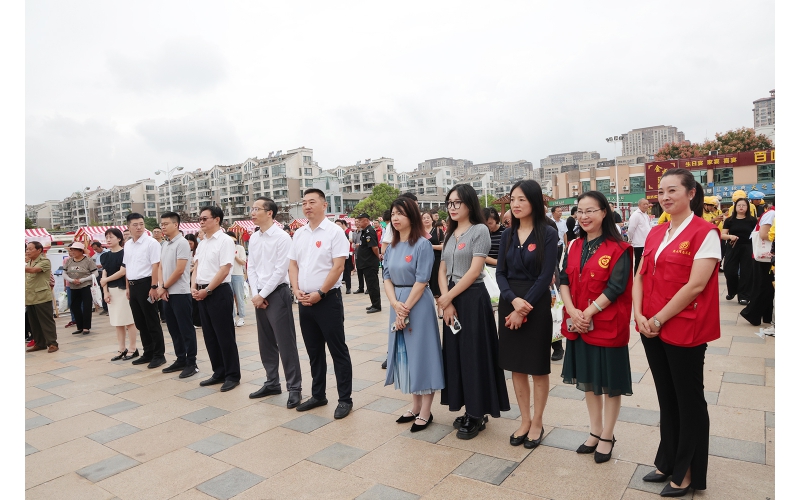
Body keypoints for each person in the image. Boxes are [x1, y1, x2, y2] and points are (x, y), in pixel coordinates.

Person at [633, 168, 720, 497]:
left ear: (691, 193)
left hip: (684, 328)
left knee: (688, 401)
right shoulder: (656, 232)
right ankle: (667, 460)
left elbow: (696, 285)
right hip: (650, 326)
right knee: (666, 397)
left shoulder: (705, 232)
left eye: (673, 190)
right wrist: (639, 314)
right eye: (661, 191)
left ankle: (687, 472)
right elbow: (640, 275)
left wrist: (657, 319)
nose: (665, 197)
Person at [559, 191, 634, 464]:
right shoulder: (573, 245)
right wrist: (572, 311)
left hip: (606, 325)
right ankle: (595, 430)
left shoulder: (619, 248)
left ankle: (608, 435)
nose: (584, 216)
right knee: (589, 381)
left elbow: (616, 287)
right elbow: (563, 280)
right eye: (580, 211)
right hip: (579, 324)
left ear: (604, 212)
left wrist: (588, 312)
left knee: (610, 384)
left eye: (590, 210)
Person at [438, 184, 510, 440]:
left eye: (457, 202)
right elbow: (442, 269)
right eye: (449, 203)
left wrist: (448, 297)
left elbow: (474, 270)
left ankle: (477, 412)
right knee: (456, 355)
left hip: (472, 299)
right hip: (452, 298)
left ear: (470, 203)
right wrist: (446, 301)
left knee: (474, 356)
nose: (452, 207)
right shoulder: (450, 232)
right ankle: (468, 406)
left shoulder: (479, 230)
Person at [496, 180, 558, 449]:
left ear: (534, 201)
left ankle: (537, 422)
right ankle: (524, 420)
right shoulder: (507, 234)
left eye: (522, 199)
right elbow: (500, 273)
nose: (516, 204)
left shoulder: (548, 233)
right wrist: (513, 301)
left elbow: (546, 276)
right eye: (513, 199)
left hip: (536, 303)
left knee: (537, 367)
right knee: (516, 366)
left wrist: (523, 307)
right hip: (510, 301)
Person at [289, 188, 354, 419]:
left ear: (324, 205)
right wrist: (296, 289)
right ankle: (318, 395)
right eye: (304, 202)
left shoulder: (335, 232)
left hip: (327, 300)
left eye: (312, 202)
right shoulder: (299, 234)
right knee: (314, 351)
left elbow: (339, 266)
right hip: (304, 301)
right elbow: (293, 264)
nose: (307, 206)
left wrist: (321, 292)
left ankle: (345, 399)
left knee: (338, 350)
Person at [383, 197, 445, 432]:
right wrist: (394, 305)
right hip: (397, 303)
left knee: (423, 353)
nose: (395, 218)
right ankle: (415, 405)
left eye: (400, 213)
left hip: (417, 304)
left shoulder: (422, 244)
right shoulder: (392, 246)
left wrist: (404, 308)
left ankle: (426, 411)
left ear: (412, 216)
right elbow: (386, 277)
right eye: (393, 214)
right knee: (406, 354)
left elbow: (422, 280)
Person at [248, 197, 303, 407]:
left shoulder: (282, 237)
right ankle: (272, 382)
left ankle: (294, 388)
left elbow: (281, 270)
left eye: (257, 209)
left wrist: (263, 294)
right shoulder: (254, 237)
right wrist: (256, 294)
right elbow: (251, 267)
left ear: (269, 212)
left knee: (285, 343)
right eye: (252, 209)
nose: (253, 212)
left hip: (277, 294)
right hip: (259, 295)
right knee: (265, 342)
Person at [193, 206, 240, 392]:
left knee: (224, 335)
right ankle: (218, 371)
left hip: (218, 291)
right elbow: (196, 267)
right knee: (210, 335)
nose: (201, 221)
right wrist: (193, 287)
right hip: (201, 292)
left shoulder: (225, 241)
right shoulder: (202, 242)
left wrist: (208, 290)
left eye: (205, 218)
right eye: (200, 219)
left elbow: (225, 269)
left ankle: (232, 375)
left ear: (217, 219)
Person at [157, 212, 199, 378]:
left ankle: (192, 363)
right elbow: (160, 267)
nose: (163, 227)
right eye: (162, 224)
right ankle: (181, 358)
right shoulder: (165, 244)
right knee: (173, 329)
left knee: (186, 329)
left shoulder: (182, 243)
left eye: (166, 224)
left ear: (176, 224)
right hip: (167, 293)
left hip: (180, 293)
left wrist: (164, 287)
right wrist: (162, 286)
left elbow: (180, 269)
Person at [123, 213, 167, 368]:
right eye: (135, 224)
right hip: (133, 286)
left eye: (141, 224)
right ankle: (148, 352)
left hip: (147, 284)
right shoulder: (128, 244)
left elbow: (156, 265)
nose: (139, 227)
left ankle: (159, 355)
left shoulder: (151, 243)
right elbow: (127, 267)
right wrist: (128, 287)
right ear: (128, 226)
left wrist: (154, 287)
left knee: (152, 321)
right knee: (140, 322)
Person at [100, 228, 138, 361]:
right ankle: (121, 348)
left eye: (111, 237)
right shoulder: (105, 256)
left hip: (123, 290)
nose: (108, 240)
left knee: (129, 320)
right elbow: (104, 273)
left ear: (119, 238)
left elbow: (123, 272)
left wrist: (106, 280)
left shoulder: (125, 253)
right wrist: (105, 291)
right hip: (111, 291)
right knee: (117, 321)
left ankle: (133, 348)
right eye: (107, 237)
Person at [740, 207, 775, 326]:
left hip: (766, 256)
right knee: (765, 287)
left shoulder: (771, 213)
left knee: (768, 287)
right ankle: (751, 314)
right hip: (765, 256)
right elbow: (763, 234)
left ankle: (766, 316)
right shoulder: (772, 214)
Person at [721, 198, 756, 305]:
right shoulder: (729, 220)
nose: (741, 207)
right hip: (733, 246)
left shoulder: (753, 220)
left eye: (744, 205)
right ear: (735, 207)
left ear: (747, 207)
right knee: (729, 270)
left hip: (748, 247)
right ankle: (733, 291)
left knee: (746, 272)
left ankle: (744, 296)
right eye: (739, 205)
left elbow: (757, 234)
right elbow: (722, 235)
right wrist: (730, 236)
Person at [26, 241, 59, 353]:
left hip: (42, 296)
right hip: (30, 297)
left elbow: (34, 270)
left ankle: (52, 343)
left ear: (39, 250)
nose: (28, 251)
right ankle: (40, 343)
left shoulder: (45, 261)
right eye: (27, 249)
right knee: (34, 322)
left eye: (30, 249)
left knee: (46, 321)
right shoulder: (28, 262)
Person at [64, 241, 97, 335]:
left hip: (85, 286)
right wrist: (71, 280)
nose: (72, 252)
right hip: (73, 286)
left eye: (74, 250)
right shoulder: (69, 261)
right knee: (74, 306)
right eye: (71, 250)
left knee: (86, 306)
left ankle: (86, 327)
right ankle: (80, 326)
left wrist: (83, 280)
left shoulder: (88, 261)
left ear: (80, 251)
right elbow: (64, 272)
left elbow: (95, 273)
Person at [356, 213, 382, 313]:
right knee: (370, 285)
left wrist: (378, 256)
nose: (359, 222)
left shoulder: (370, 231)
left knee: (373, 285)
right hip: (365, 263)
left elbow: (374, 247)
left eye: (361, 220)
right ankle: (374, 303)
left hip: (370, 263)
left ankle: (377, 305)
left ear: (366, 220)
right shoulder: (364, 231)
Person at [227, 231, 248, 327]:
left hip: (238, 275)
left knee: (239, 297)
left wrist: (234, 255)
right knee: (229, 298)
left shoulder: (240, 248)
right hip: (227, 276)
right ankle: (232, 317)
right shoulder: (224, 249)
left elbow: (243, 262)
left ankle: (241, 317)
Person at [627, 198, 652, 274]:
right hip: (639, 244)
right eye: (644, 204)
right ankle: (636, 278)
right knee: (638, 262)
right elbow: (631, 229)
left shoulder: (646, 215)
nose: (646, 206)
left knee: (646, 262)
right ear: (639, 205)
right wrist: (630, 239)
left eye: (647, 204)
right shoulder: (636, 215)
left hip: (647, 243)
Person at [422, 211, 444, 297]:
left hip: (436, 261)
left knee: (436, 289)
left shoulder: (438, 231)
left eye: (428, 218)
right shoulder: (419, 232)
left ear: (432, 220)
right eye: (424, 218)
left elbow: (443, 247)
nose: (426, 220)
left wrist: (431, 246)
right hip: (422, 261)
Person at [185, 233, 202, 328]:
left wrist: (190, 270)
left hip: (194, 275)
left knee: (195, 299)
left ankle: (197, 321)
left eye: (190, 243)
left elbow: (197, 265)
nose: (189, 246)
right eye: (187, 243)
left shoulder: (197, 251)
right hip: (185, 276)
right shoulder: (183, 251)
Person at [334, 220, 354, 293]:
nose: (337, 226)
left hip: (345, 255)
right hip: (336, 256)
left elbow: (347, 244)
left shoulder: (344, 233)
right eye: (336, 224)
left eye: (339, 224)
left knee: (346, 271)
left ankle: (348, 288)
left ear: (343, 225)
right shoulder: (332, 234)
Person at [91, 241, 109, 315]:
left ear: (100, 246)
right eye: (94, 249)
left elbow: (109, 262)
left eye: (96, 249)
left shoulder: (108, 252)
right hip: (98, 273)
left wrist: (102, 265)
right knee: (101, 290)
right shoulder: (95, 256)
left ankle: (109, 308)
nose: (96, 250)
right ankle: (105, 308)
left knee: (108, 290)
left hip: (107, 272)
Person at [351, 222, 364, 294]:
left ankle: (368, 288)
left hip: (364, 254)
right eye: (356, 222)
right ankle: (361, 287)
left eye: (359, 222)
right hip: (357, 253)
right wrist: (353, 245)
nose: (357, 223)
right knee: (359, 271)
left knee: (365, 272)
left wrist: (360, 244)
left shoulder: (364, 232)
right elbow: (353, 241)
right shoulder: (354, 233)